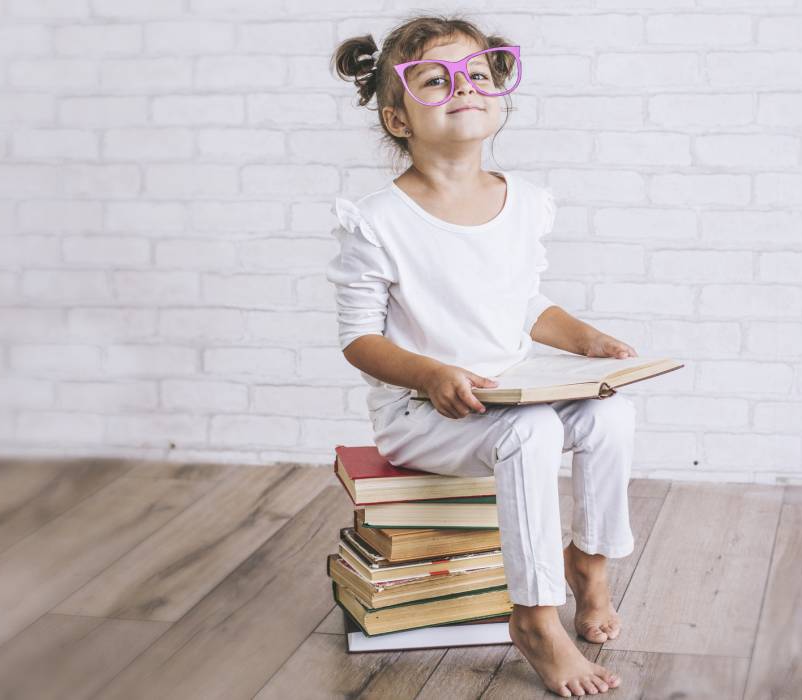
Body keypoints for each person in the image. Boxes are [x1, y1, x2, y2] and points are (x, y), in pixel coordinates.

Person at [328, 15, 638, 698]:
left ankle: (589, 563)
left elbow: (520, 306)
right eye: (435, 80)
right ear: (397, 118)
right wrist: (432, 374)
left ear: (498, 97)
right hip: (424, 411)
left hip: (511, 386)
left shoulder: (523, 201)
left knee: (612, 416)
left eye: (476, 74)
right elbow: (359, 338)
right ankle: (533, 616)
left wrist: (583, 338)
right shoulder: (380, 220)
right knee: (531, 432)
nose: (463, 87)